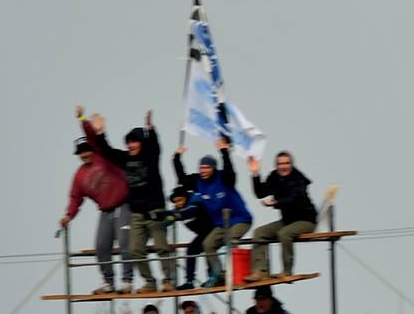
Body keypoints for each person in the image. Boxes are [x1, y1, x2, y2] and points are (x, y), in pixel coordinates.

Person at [92, 110, 174, 293]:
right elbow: (107, 152)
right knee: (135, 250)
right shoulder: (126, 159)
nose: (131, 145)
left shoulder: (150, 158)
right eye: (128, 142)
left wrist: (150, 130)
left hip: (155, 210)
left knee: (161, 247)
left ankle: (168, 279)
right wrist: (99, 133)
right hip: (137, 213)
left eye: (134, 141)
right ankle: (150, 282)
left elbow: (156, 147)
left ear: (142, 143)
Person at [58, 108, 131, 295]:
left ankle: (126, 280)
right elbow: (75, 198)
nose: (84, 154)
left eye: (86, 150)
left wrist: (82, 119)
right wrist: (68, 215)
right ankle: (109, 282)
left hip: (123, 204)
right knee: (101, 246)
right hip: (106, 211)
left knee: (124, 241)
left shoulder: (101, 155)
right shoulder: (79, 176)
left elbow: (91, 135)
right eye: (80, 153)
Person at [187, 138, 254, 288]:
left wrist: (224, 152)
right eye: (201, 168)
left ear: (213, 168)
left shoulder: (224, 178)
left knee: (231, 241)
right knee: (208, 244)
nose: (203, 171)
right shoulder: (199, 182)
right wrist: (177, 158)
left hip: (240, 219)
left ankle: (240, 273)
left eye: (207, 168)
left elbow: (231, 172)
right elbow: (182, 178)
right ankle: (220, 275)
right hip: (221, 223)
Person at [248, 150, 318, 278]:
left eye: (287, 163)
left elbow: (295, 198)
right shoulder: (274, 177)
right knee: (259, 233)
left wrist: (276, 202)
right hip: (287, 221)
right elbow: (260, 193)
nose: (284, 166)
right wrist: (255, 173)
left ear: (291, 164)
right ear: (276, 165)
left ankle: (286, 271)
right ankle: (260, 271)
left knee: (284, 233)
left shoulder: (299, 179)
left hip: (306, 220)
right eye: (280, 164)